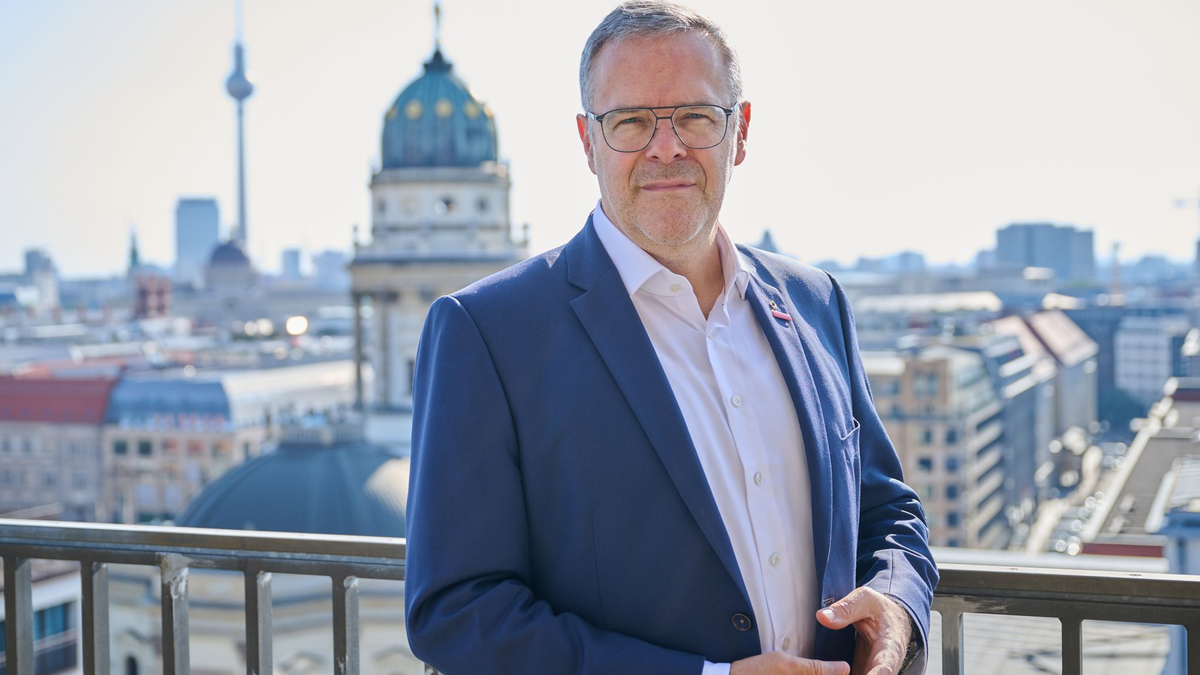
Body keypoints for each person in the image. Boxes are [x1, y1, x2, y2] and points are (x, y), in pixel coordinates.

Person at [404, 2, 938, 673]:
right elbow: (458, 612)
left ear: (739, 131)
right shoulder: (486, 334)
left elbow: (887, 509)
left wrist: (895, 604)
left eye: (695, 116)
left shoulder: (816, 302)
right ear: (587, 141)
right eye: (630, 121)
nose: (666, 147)